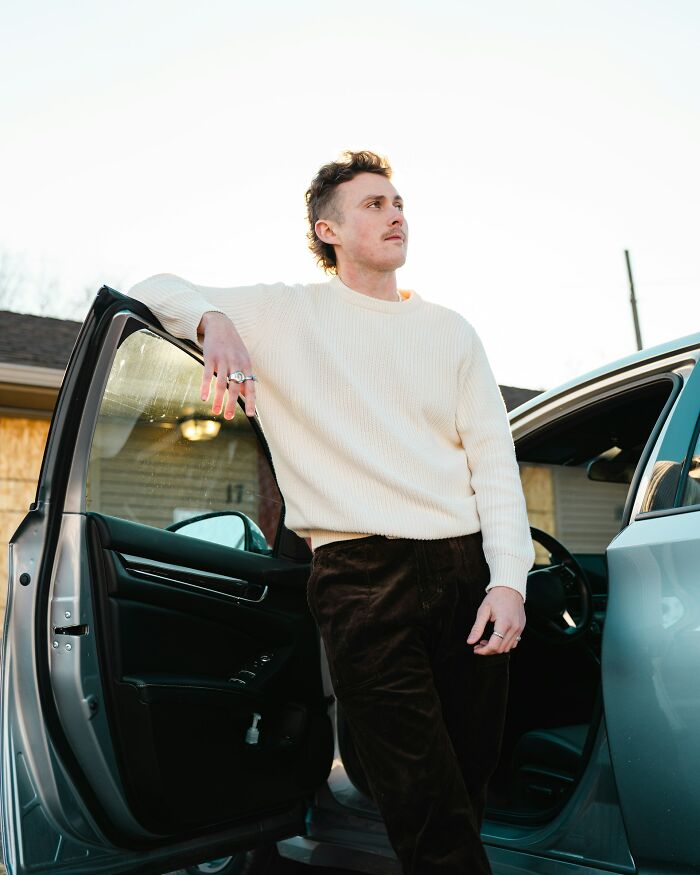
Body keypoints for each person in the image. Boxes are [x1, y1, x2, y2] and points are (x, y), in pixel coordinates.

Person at [128, 150, 534, 874]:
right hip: (360, 577)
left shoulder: (452, 330)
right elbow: (149, 289)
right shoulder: (287, 312)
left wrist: (509, 579)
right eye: (374, 204)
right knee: (421, 795)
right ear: (329, 230)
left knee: (466, 777)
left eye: (399, 202)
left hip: (464, 567)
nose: (396, 214)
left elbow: (495, 464)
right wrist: (214, 320)